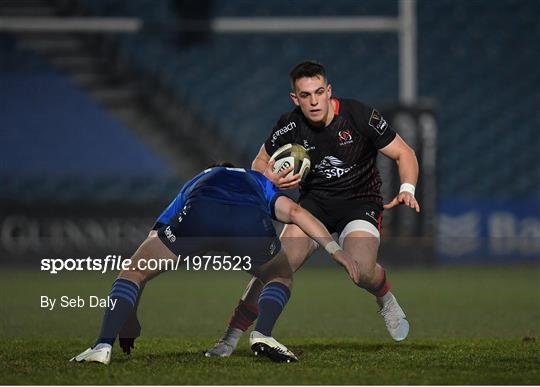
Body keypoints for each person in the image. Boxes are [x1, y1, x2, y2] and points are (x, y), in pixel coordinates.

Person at [206, 60, 420, 357]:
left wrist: (407, 189)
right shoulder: (290, 125)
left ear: (328, 91)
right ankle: (230, 338)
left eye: (319, 92)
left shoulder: (359, 115)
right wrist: (270, 178)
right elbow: (258, 164)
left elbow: (404, 153)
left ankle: (384, 298)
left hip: (360, 202)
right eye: (305, 95)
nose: (314, 100)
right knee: (273, 267)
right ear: (295, 98)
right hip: (314, 205)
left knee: (361, 270)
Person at [70, 164, 359, 364]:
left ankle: (102, 346)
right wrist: (334, 249)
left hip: (201, 213)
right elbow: (295, 211)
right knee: (279, 276)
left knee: (133, 272)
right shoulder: (257, 181)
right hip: (248, 222)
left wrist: (129, 322)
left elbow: (152, 239)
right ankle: (263, 334)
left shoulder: (201, 178)